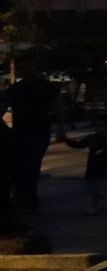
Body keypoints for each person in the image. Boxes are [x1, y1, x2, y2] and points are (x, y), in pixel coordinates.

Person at [0, 69, 59, 212]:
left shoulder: (17, 89)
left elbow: (3, 105)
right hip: (37, 131)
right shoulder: (45, 87)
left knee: (21, 166)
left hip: (23, 131)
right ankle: (28, 197)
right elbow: (58, 105)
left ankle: (26, 197)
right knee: (31, 166)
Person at [58, 115, 107, 214]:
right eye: (97, 126)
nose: (100, 128)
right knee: (90, 187)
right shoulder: (91, 138)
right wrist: (66, 140)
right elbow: (79, 145)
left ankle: (94, 205)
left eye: (102, 126)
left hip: (102, 168)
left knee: (96, 186)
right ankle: (98, 199)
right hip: (91, 167)